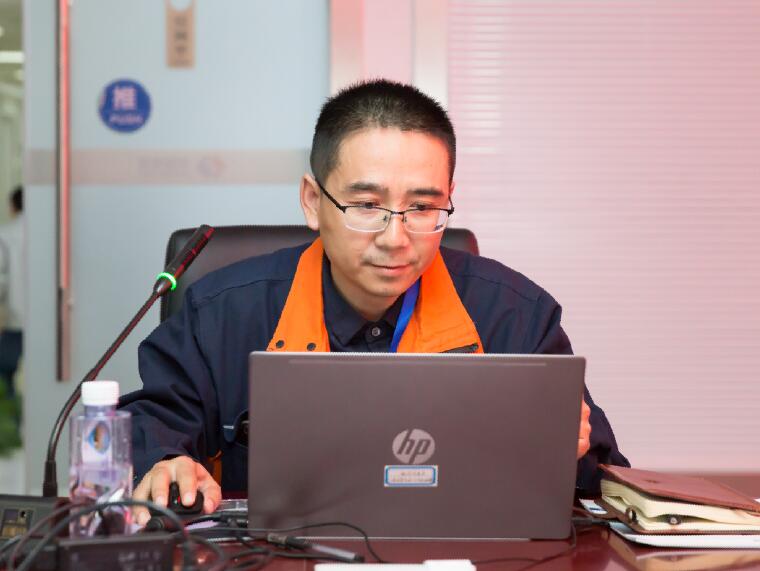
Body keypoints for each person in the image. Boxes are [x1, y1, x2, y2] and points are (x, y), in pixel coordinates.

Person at [122, 80, 629, 525]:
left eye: (423, 206)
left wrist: (571, 453)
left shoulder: (514, 315)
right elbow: (150, 422)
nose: (395, 238)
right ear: (312, 201)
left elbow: (608, 485)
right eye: (367, 205)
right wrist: (163, 462)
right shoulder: (224, 312)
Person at [0, 186, 24, 403]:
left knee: (6, 374)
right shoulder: (47, 230)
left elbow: (1, 279)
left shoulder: (6, 234)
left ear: (13, 206)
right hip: (49, 322)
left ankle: (13, 417)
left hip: (16, 318)